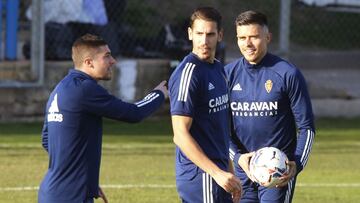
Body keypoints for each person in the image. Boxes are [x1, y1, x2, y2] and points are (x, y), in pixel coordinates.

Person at [38, 34, 168, 203]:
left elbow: (46, 139)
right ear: (88, 62)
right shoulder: (85, 89)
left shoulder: (60, 88)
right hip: (71, 197)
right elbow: (133, 113)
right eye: (106, 56)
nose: (113, 61)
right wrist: (160, 93)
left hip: (53, 192)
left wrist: (82, 178)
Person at [225, 10, 315, 203]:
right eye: (242, 38)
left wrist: (296, 164)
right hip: (243, 172)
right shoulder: (228, 75)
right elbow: (220, 127)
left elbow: (307, 127)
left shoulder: (288, 74)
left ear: (268, 37)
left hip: (278, 173)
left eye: (254, 37)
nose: (247, 43)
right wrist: (238, 157)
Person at [169, 7, 242, 203]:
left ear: (220, 35)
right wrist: (216, 173)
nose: (204, 40)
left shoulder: (218, 68)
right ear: (190, 34)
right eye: (199, 33)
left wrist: (229, 170)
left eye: (210, 34)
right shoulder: (188, 73)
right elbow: (180, 135)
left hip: (219, 174)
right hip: (202, 177)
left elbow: (218, 128)